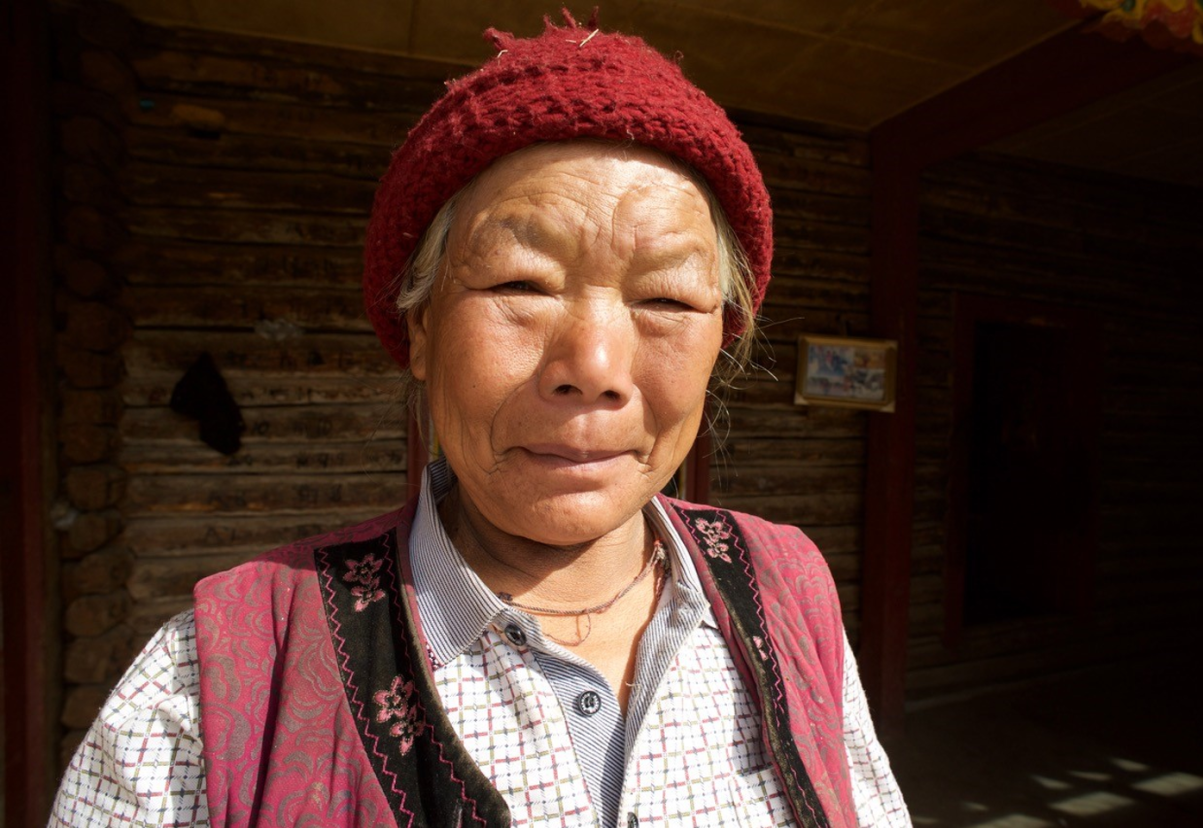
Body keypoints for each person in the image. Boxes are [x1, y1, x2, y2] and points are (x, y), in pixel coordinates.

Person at [51, 12, 910, 828]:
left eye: (665, 298)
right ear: (421, 329)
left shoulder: (787, 589)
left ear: (721, 340)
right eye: (519, 286)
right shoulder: (212, 680)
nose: (596, 371)